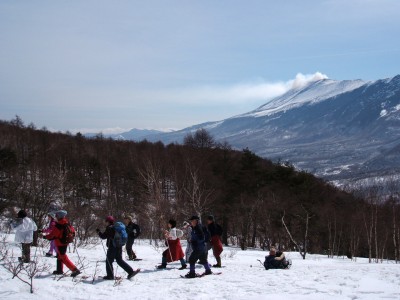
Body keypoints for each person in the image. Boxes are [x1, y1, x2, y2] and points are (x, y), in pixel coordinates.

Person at [43, 210, 81, 277]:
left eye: (57, 215)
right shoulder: (67, 223)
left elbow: (53, 235)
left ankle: (75, 270)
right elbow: (73, 231)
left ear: (59, 216)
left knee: (63, 257)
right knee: (59, 256)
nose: (56, 217)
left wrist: (45, 237)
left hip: (60, 243)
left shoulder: (59, 225)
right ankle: (59, 270)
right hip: (65, 242)